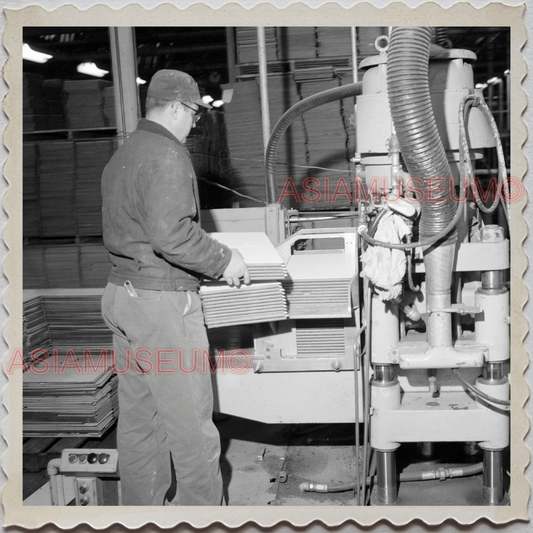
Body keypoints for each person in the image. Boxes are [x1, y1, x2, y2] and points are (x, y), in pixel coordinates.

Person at [101, 69, 249, 506]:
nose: (194, 123)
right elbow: (172, 236)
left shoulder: (123, 155)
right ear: (178, 108)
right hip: (161, 307)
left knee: (140, 423)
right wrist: (226, 260)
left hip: (123, 297)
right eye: (194, 114)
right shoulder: (167, 154)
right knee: (190, 426)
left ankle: (141, 514)